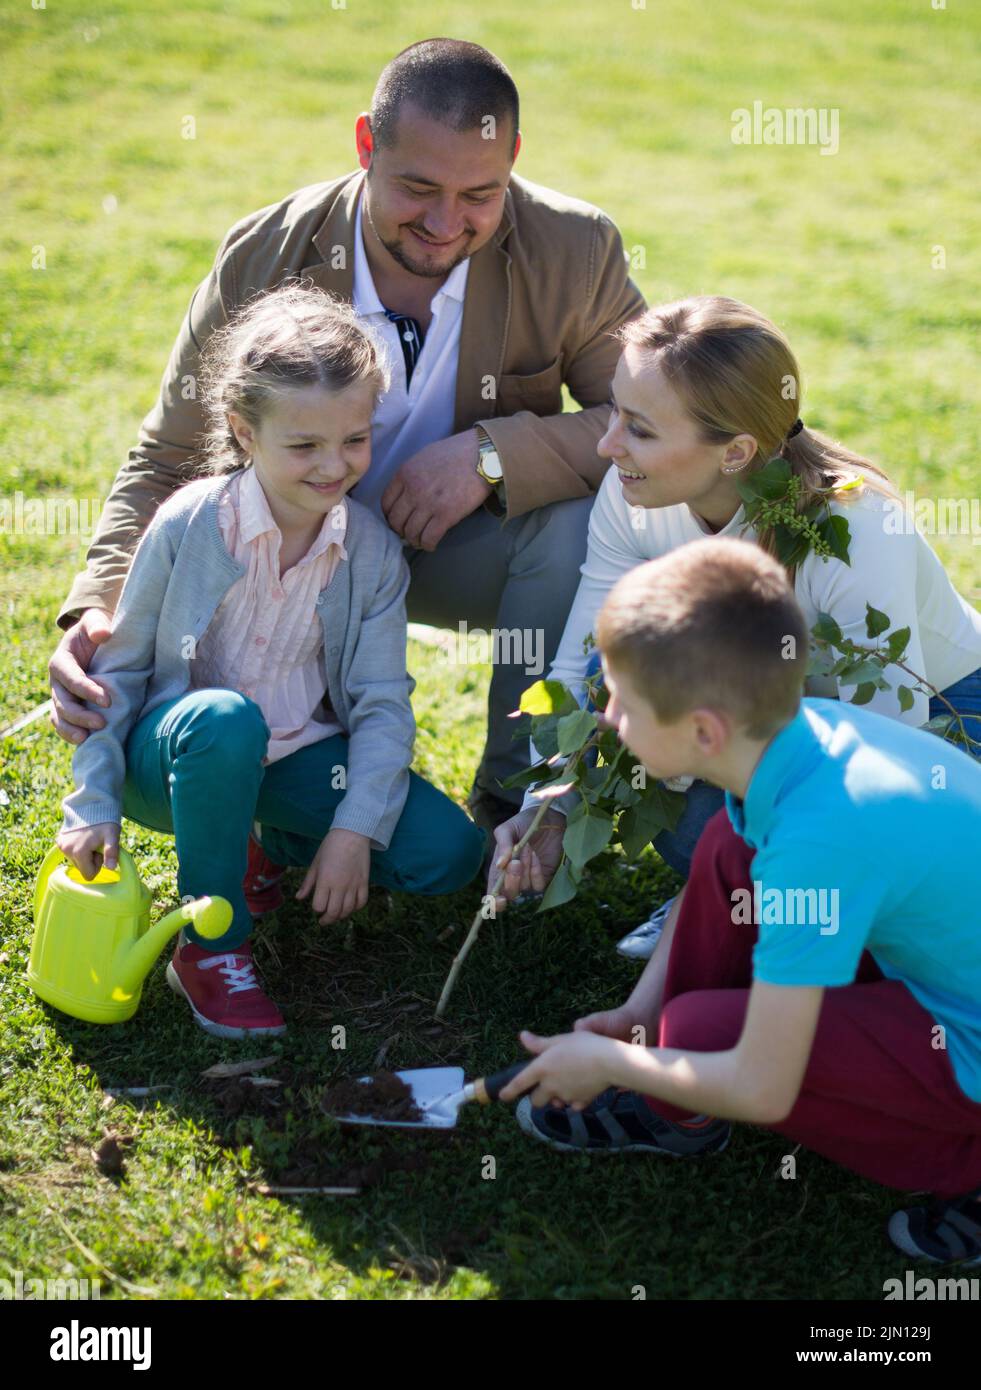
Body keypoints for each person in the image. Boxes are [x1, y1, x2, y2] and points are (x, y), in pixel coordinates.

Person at [47, 37, 646, 854]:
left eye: (480, 193)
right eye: (416, 188)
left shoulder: (575, 247)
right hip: (281, 561)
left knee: (577, 526)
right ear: (366, 144)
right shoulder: (263, 250)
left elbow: (642, 420)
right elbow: (167, 455)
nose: (444, 225)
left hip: (451, 551)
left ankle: (515, 809)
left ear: (514, 159)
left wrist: (490, 454)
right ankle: (275, 775)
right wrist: (97, 605)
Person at [500, 539, 981, 1265]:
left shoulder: (817, 847)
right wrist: (633, 1020)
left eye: (624, 703)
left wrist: (613, 1065)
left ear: (701, 731)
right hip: (941, 970)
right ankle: (679, 1100)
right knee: (729, 848)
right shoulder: (800, 742)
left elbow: (762, 1085)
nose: (606, 720)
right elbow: (737, 859)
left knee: (700, 1034)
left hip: (965, 1039)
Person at [488, 295, 981, 954]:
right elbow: (586, 663)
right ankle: (725, 895)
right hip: (769, 721)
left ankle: (764, 908)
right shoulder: (630, 496)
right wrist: (546, 805)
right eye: (613, 413)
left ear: (734, 452)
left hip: (940, 720)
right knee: (669, 780)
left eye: (639, 428)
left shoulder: (853, 528)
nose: (607, 447)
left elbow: (891, 741)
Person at [56, 286, 485, 1039]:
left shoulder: (372, 553)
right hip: (176, 755)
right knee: (226, 719)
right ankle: (211, 947)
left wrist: (352, 832)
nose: (335, 467)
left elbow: (382, 702)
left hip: (293, 754)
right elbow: (118, 676)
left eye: (355, 440)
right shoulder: (189, 523)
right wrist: (92, 801)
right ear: (243, 432)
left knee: (445, 854)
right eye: (304, 446)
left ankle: (266, 843)